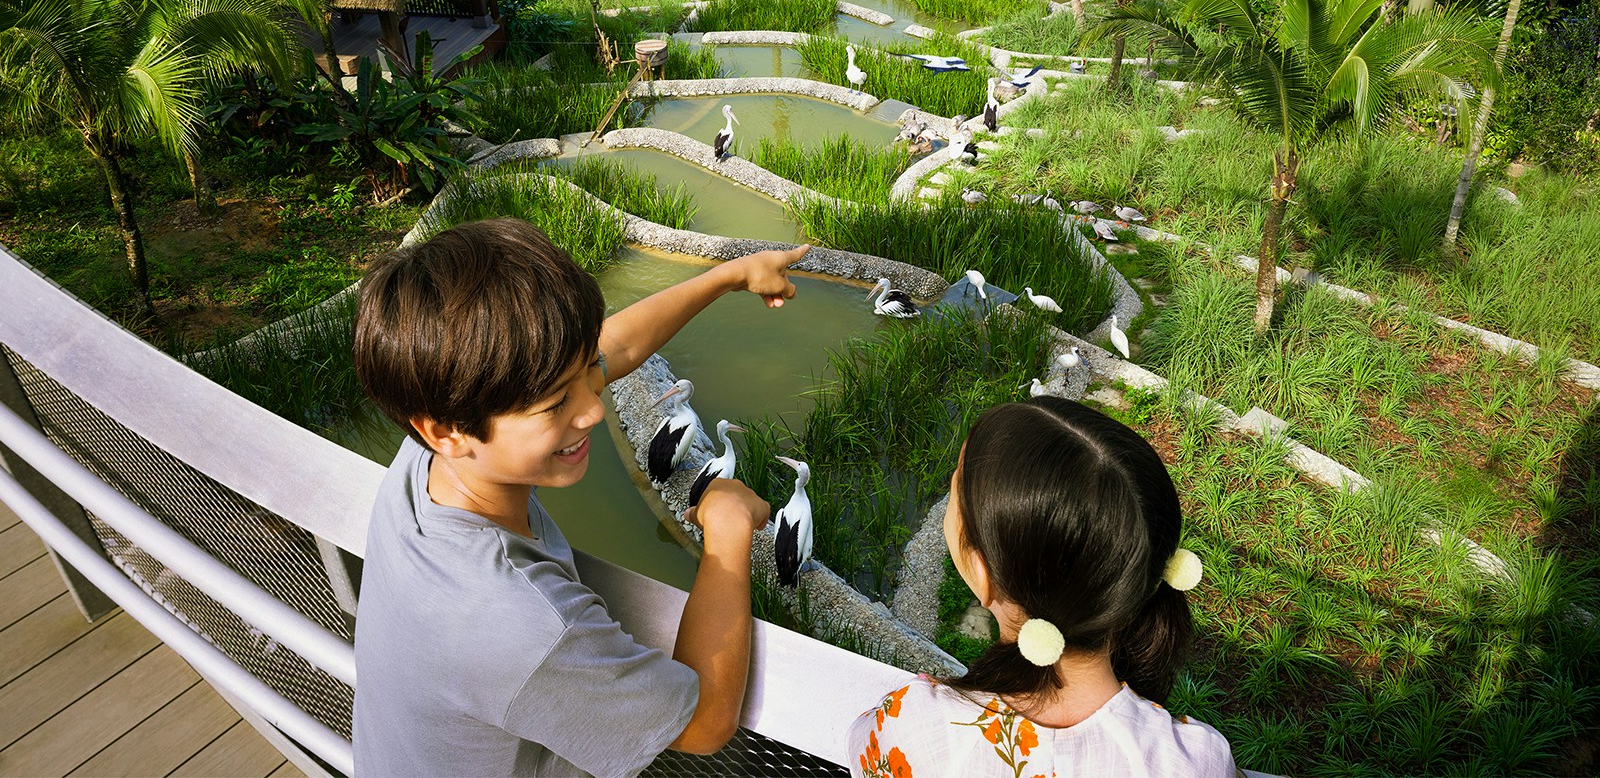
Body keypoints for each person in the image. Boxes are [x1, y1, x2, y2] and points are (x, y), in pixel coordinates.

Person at [351, 217, 809, 777]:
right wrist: (729, 528)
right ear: (445, 429)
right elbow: (705, 724)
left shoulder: (425, 461)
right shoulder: (524, 624)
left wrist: (727, 277)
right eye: (552, 406)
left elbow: (611, 346)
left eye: (587, 373)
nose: (593, 408)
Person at [849, 396, 1239, 778]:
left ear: (982, 575)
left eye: (954, 492)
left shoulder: (917, 728)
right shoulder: (1196, 759)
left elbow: (859, 747)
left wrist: (936, 697)